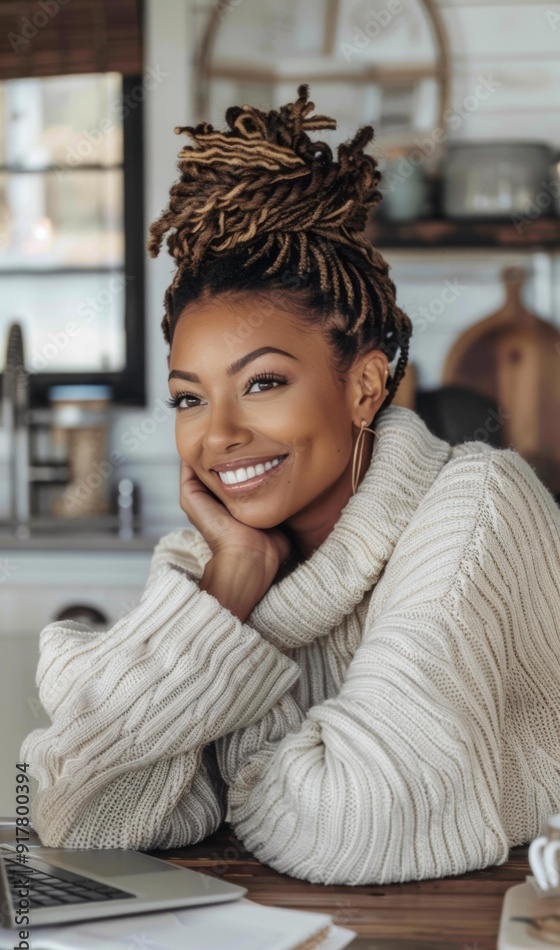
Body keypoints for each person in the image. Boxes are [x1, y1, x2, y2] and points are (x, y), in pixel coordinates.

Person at [21, 85, 560, 885]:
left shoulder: (476, 508)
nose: (220, 434)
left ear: (365, 387)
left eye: (264, 383)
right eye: (189, 398)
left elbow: (355, 823)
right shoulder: (204, 566)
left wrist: (216, 694)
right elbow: (80, 819)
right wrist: (232, 587)